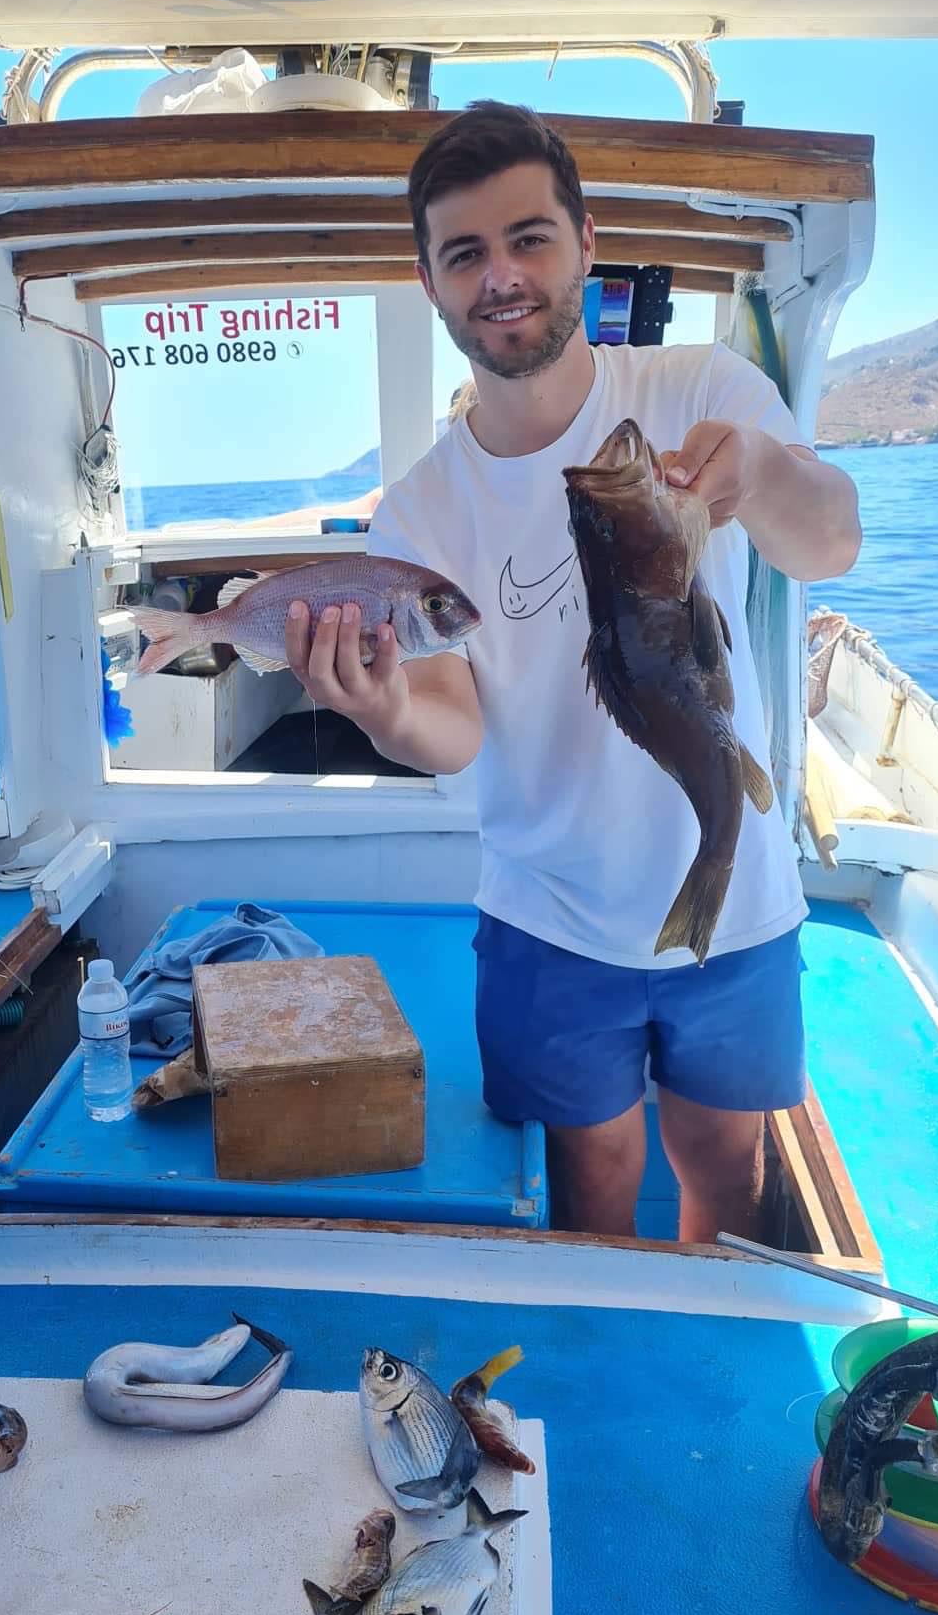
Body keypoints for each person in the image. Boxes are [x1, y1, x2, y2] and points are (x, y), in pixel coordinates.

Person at [284, 101, 861, 1242]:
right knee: (592, 1181)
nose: (501, 276)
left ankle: (695, 1346)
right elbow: (453, 724)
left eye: (527, 238)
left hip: (735, 901)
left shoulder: (701, 390)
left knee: (719, 1163)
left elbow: (830, 541)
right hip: (548, 914)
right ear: (432, 282)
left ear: (584, 242)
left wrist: (760, 476)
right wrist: (385, 706)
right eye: (465, 254)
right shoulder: (417, 511)